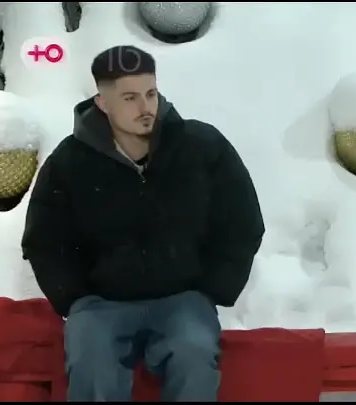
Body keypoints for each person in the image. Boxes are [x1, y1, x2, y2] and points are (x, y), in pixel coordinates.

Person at [21, 45, 265, 402]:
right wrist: (74, 297)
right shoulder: (69, 162)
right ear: (103, 103)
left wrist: (212, 288)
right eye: (130, 98)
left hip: (182, 299)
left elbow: (241, 220)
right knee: (92, 364)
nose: (145, 107)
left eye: (150, 93)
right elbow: (44, 239)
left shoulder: (201, 147)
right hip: (101, 304)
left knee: (193, 355)